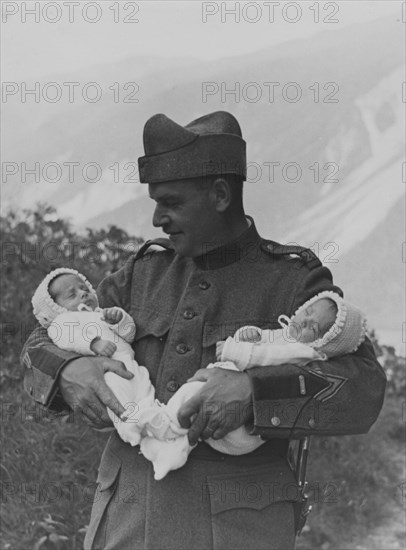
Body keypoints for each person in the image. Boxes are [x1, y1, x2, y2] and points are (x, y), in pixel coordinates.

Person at [21, 111, 386, 550]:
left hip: (239, 533)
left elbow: (363, 389)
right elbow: (44, 336)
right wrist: (67, 373)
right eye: (156, 202)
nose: (158, 219)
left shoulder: (293, 282)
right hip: (125, 524)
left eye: (171, 202)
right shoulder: (142, 274)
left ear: (219, 194)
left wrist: (255, 392)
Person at [141, 291, 368, 480]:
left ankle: (165, 425)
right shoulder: (284, 334)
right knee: (196, 410)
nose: (305, 322)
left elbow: (269, 356)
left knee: (191, 393)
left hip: (241, 431)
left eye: (314, 329)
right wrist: (247, 335)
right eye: (308, 312)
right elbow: (264, 340)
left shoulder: (303, 351)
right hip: (230, 426)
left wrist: (236, 351)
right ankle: (174, 449)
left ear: (322, 343)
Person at [30, 267, 188, 447]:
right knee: (119, 397)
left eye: (84, 289)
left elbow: (129, 336)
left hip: (130, 365)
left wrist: (119, 321)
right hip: (106, 371)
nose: (83, 294)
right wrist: (93, 343)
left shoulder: (101, 314)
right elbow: (65, 336)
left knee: (144, 390)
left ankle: (154, 420)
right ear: (56, 308)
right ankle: (130, 429)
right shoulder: (65, 320)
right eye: (72, 295)